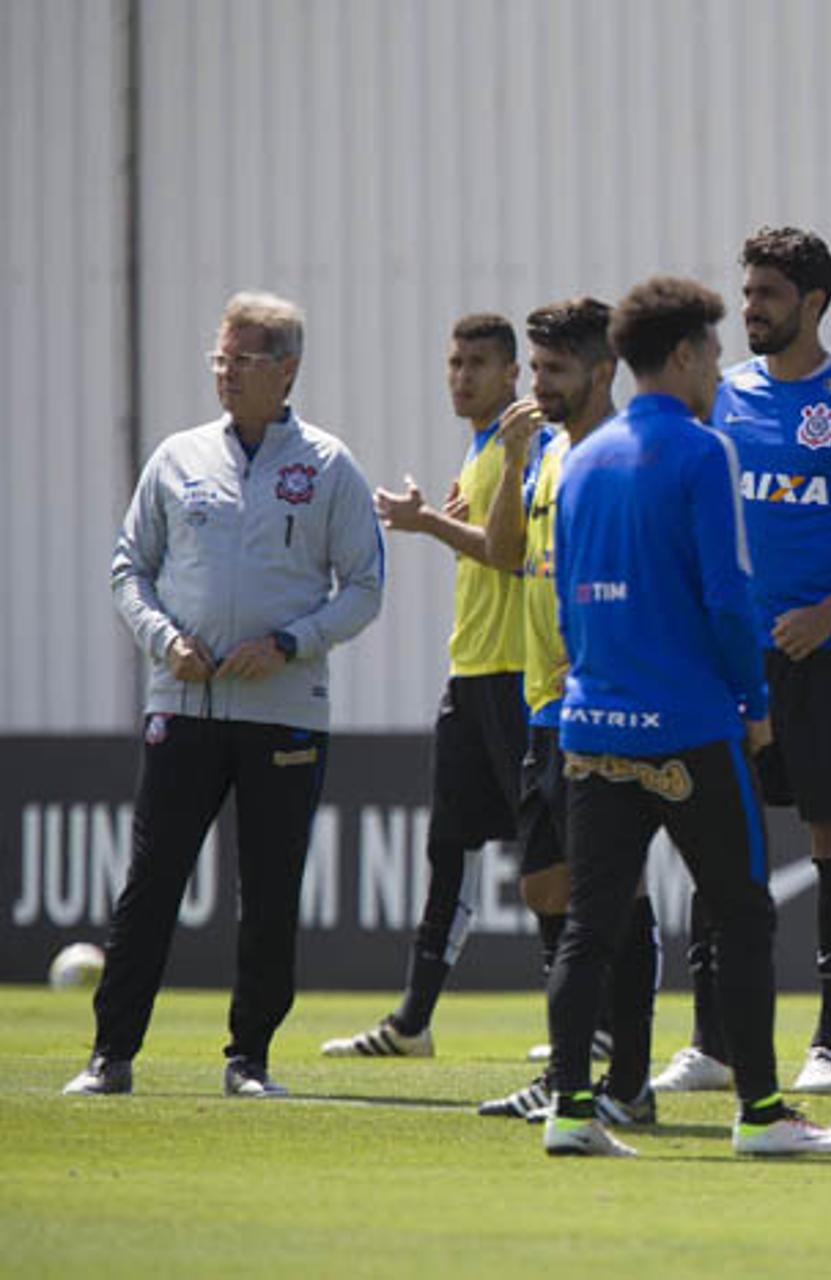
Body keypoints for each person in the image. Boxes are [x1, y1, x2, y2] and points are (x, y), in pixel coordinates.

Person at [542, 274, 831, 1158]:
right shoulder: (705, 450)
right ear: (681, 355)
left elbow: (566, 603)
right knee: (743, 913)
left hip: (593, 727)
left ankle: (571, 1111)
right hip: (687, 726)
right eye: (713, 351)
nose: (721, 368)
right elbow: (729, 597)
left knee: (589, 927)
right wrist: (752, 704)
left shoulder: (583, 457)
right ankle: (759, 1115)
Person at [67, 291, 384, 1098]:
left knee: (271, 893)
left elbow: (365, 588)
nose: (225, 373)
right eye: (220, 357)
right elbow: (127, 568)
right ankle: (111, 1057)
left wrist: (288, 642)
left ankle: (250, 1060)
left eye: (242, 359)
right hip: (182, 705)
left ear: (286, 370)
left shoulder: (329, 465)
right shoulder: (177, 457)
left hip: (285, 712)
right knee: (151, 883)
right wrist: (164, 639)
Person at [652, 227, 831, 1097]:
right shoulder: (721, 396)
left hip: (829, 656)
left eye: (768, 294)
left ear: (812, 302)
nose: (750, 310)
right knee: (714, 839)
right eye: (747, 293)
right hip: (732, 661)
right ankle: (711, 1043)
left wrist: (828, 613)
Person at [322, 314, 544, 1058]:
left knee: (549, 855)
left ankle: (593, 1022)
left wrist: (427, 525)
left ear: (513, 373)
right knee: (450, 849)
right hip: (471, 671)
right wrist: (444, 521)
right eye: (454, 363)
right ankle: (413, 1022)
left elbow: (513, 557)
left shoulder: (527, 444)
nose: (462, 376)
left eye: (479, 363)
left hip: (517, 672)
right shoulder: (482, 448)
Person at [470, 299, 660, 1126]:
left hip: (608, 706)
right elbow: (507, 555)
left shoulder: (629, 457)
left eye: (553, 370)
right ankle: (576, 1063)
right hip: (541, 705)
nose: (535, 384)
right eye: (535, 368)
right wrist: (512, 462)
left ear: (601, 370)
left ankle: (629, 1074)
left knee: (611, 894)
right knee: (548, 885)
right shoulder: (543, 454)